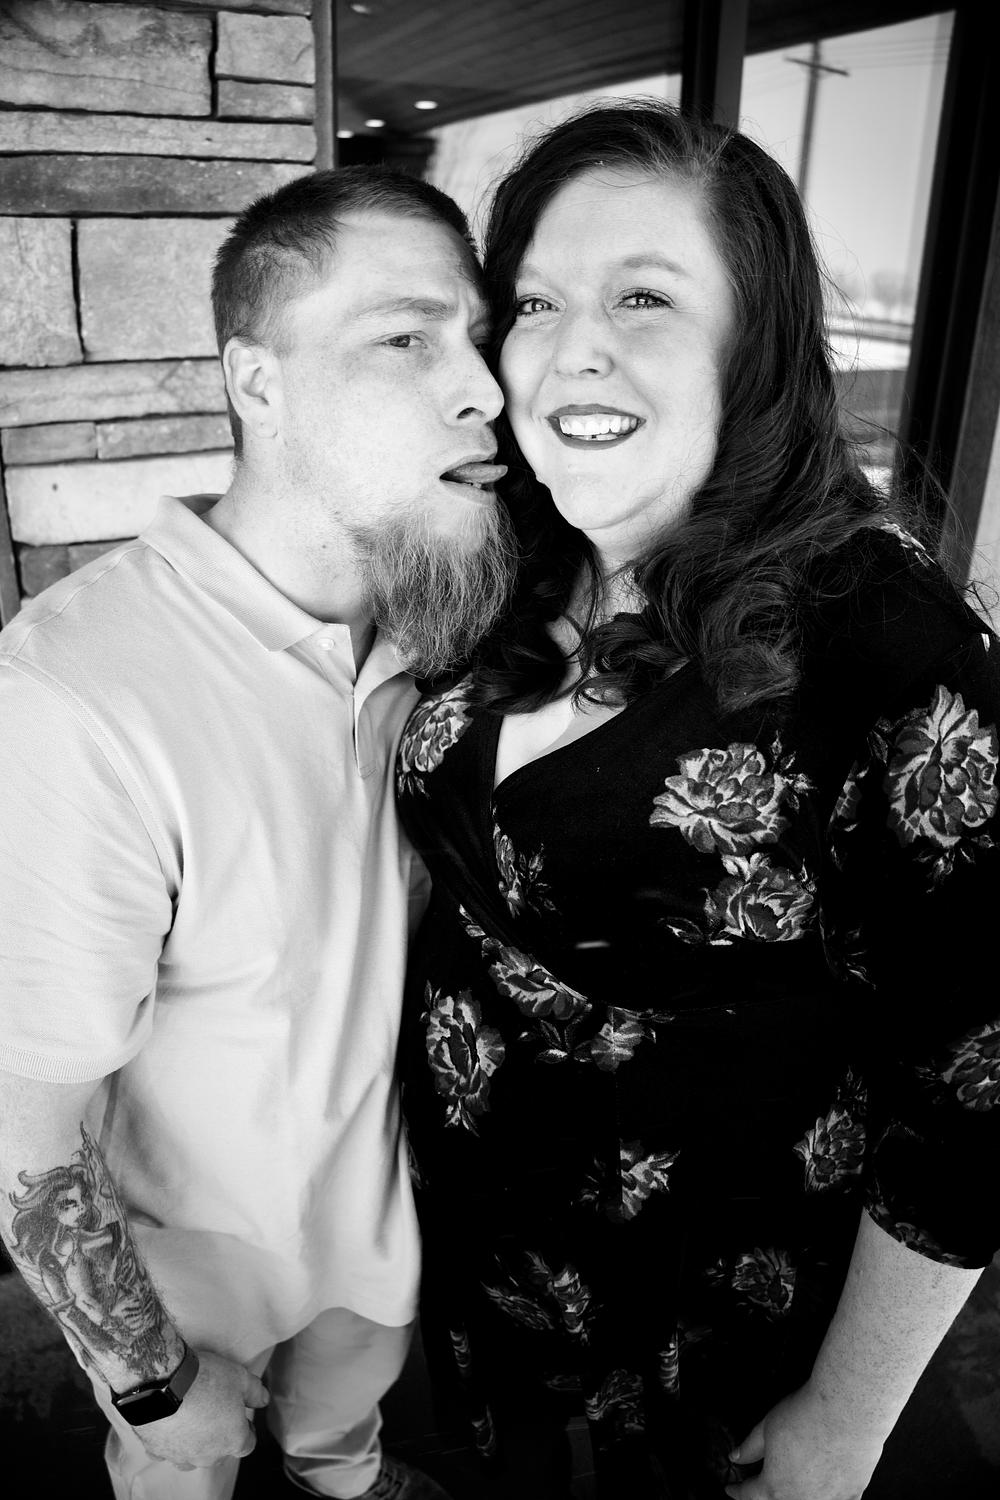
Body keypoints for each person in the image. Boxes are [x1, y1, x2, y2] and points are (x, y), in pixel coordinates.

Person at [394, 100, 1000, 1500]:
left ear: (756, 347)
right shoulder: (514, 554)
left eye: (645, 297)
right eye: (535, 300)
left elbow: (982, 1081)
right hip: (486, 1254)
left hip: (710, 1323)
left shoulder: (880, 639)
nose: (573, 347)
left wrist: (845, 1420)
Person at [0, 165, 515, 1500]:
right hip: (186, 1293)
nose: (484, 389)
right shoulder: (75, 689)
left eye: (478, 337)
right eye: (405, 338)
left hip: (376, 1248)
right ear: (257, 383)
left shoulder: (443, 624)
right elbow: (25, 1125)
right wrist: (150, 1383)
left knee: (343, 1447)